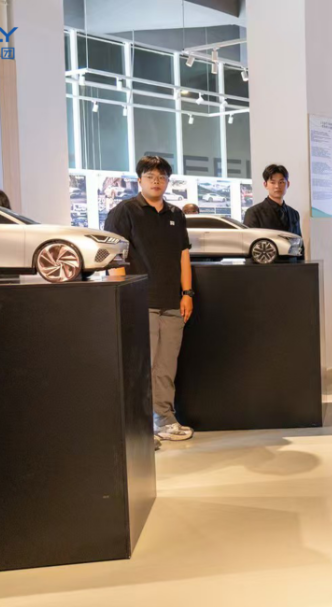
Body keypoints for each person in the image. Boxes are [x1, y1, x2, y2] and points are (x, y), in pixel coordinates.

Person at [105, 155, 195, 444]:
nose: (156, 181)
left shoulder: (175, 214)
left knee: (166, 367)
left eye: (162, 177)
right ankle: (138, 429)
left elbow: (183, 255)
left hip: (172, 302)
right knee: (141, 366)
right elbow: (115, 256)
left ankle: (164, 420)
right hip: (140, 301)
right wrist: (124, 296)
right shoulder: (124, 211)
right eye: (150, 176)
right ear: (139, 180)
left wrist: (187, 293)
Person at [244, 164, 302, 240]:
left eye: (281, 182)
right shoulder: (254, 213)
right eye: (273, 182)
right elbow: (248, 242)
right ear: (265, 184)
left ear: (288, 184)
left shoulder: (294, 214)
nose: (277, 186)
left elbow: (299, 242)